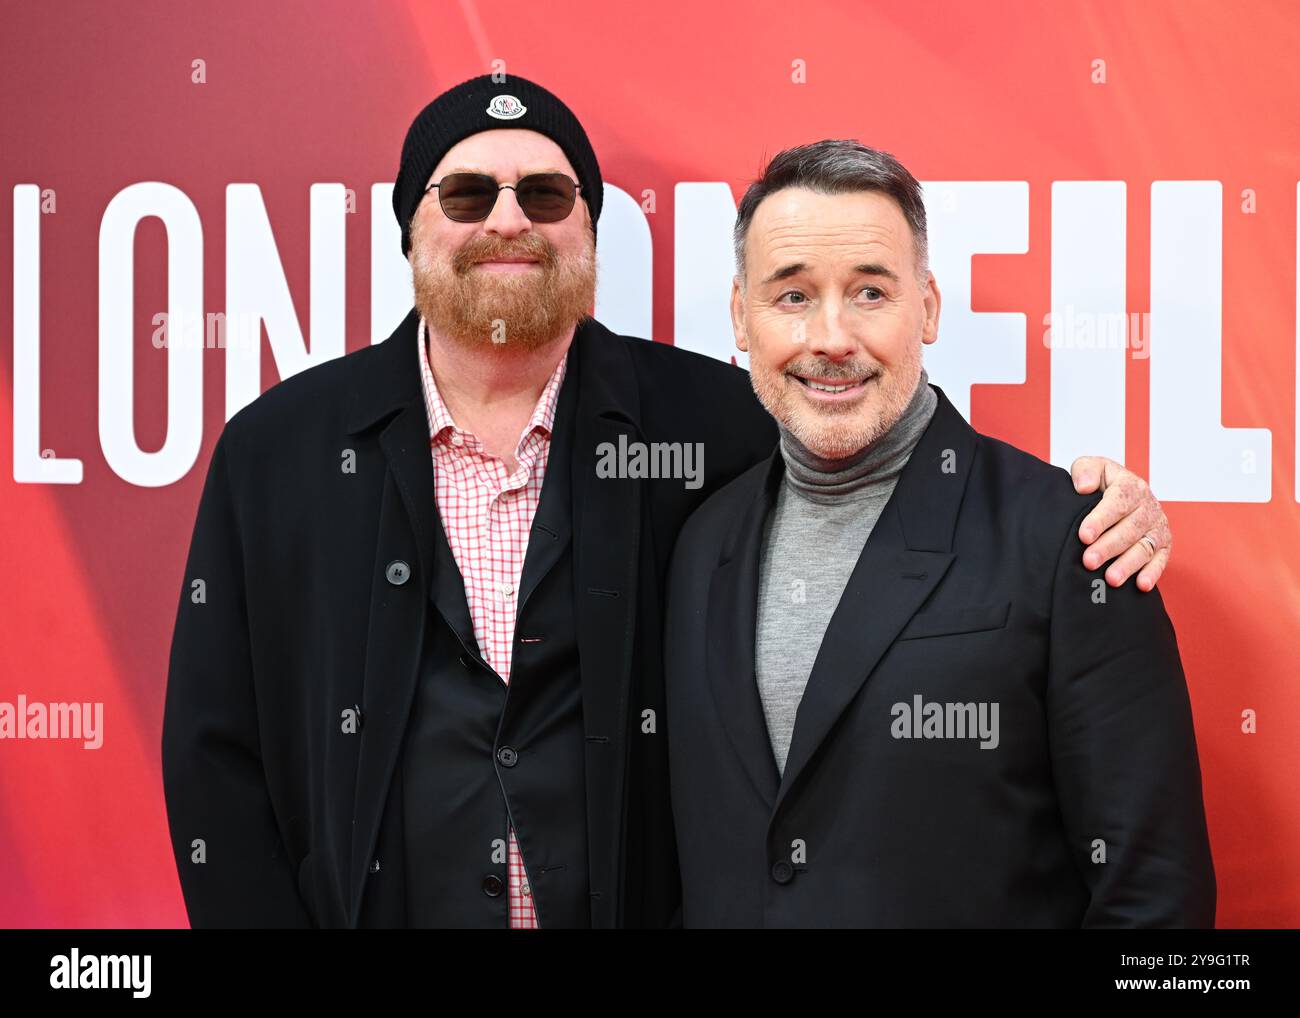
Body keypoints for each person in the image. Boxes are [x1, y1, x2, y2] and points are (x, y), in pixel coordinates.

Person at [162, 75, 1175, 929]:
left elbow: (871, 459)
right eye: (467, 195)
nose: (508, 219)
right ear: (410, 228)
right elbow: (215, 747)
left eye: (547, 195)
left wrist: (1100, 506)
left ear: (589, 233)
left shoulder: (710, 427)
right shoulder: (281, 451)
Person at [664, 139, 1215, 928]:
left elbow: (1153, 894)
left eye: (869, 293)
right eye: (791, 296)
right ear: (740, 317)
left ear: (926, 307)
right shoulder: (698, 544)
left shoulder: (1074, 538)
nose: (830, 338)